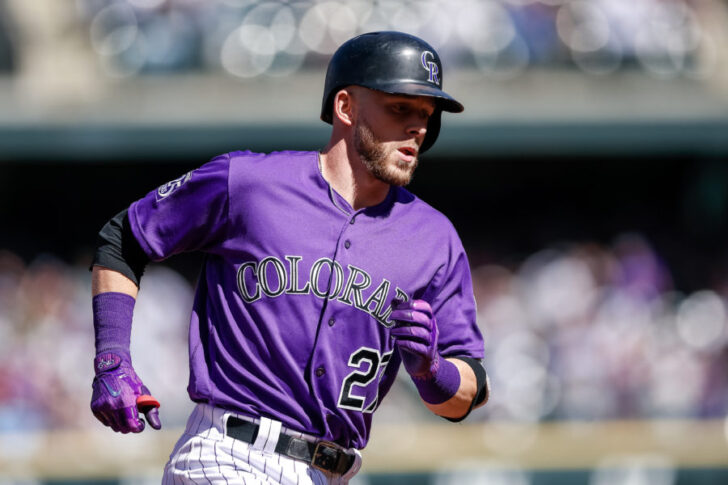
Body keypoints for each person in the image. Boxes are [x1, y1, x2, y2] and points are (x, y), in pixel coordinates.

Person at [90, 31, 489, 485]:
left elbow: (467, 388)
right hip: (229, 454)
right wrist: (113, 358)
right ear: (346, 107)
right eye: (400, 108)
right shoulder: (249, 183)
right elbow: (124, 236)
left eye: (426, 115)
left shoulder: (434, 238)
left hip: (334, 472)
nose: (417, 128)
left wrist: (433, 371)